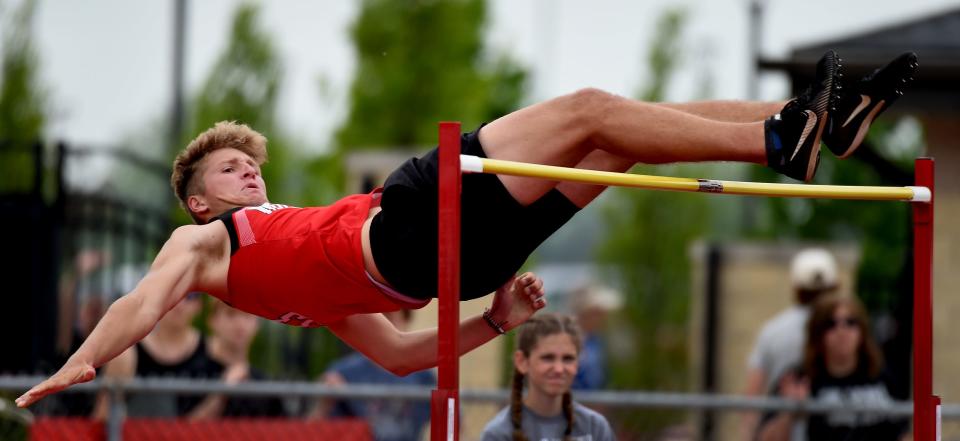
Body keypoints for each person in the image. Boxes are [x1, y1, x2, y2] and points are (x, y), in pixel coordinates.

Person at [16, 49, 917, 409]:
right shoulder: (210, 244)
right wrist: (81, 360)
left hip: (444, 266)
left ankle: (804, 120)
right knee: (590, 107)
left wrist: (493, 322)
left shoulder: (296, 291)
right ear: (198, 201)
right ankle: (779, 134)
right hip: (411, 224)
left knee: (617, 136)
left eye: (249, 162)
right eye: (227, 169)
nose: (247, 170)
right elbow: (141, 299)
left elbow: (404, 353)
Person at [756, 294, 908, 441]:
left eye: (850, 322)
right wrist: (788, 412)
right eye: (831, 324)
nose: (841, 331)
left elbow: (905, 433)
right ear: (817, 333)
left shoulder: (882, 376)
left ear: (863, 331)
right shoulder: (798, 379)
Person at [741, 248, 839, 439]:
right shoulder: (848, 327)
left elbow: (753, 392)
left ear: (796, 287)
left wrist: (749, 431)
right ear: (834, 285)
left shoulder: (773, 329)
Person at [480, 312, 615, 441]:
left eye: (568, 358)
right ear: (522, 361)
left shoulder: (594, 427)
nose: (558, 369)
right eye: (548, 358)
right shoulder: (499, 433)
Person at [307, 309, 434, 441]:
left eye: (389, 319)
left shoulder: (423, 375)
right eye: (381, 320)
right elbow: (312, 429)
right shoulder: (343, 372)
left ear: (406, 320)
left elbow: (447, 419)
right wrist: (324, 403)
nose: (386, 329)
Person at [91, 292, 223, 419]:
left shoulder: (213, 350)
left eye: (189, 296)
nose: (180, 304)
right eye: (172, 293)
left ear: (199, 305)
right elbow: (104, 415)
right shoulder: (127, 354)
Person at [568, 284, 623, 390]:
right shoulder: (569, 342)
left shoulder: (596, 340)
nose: (603, 317)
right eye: (597, 312)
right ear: (584, 314)